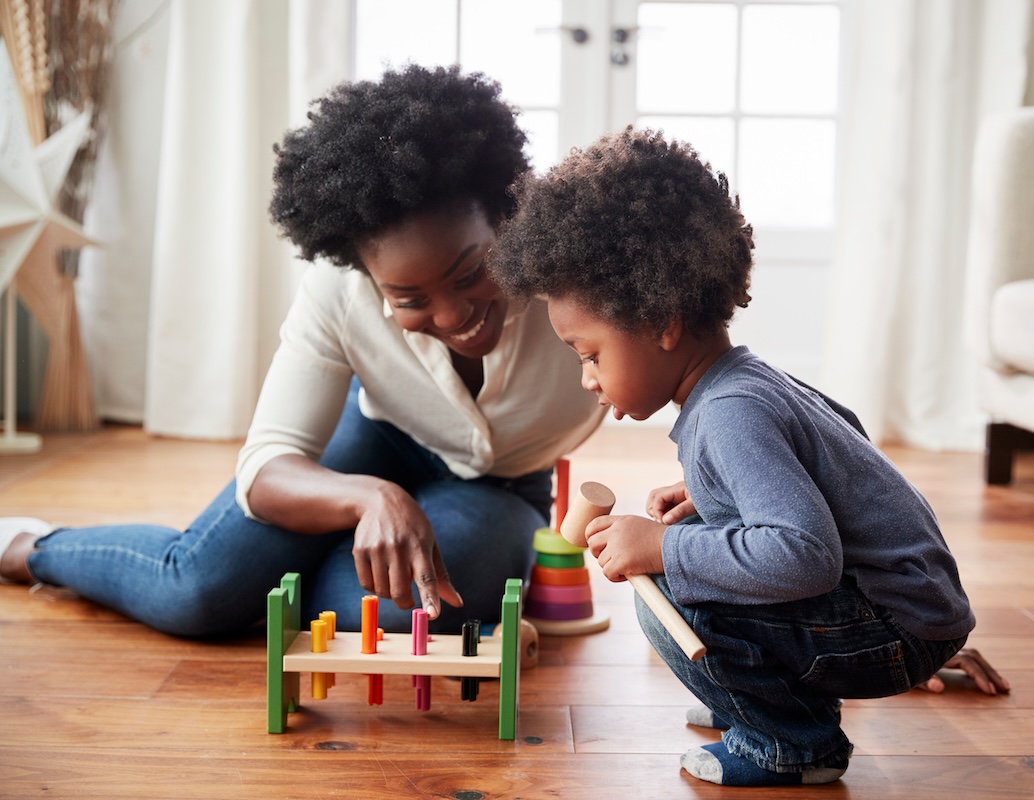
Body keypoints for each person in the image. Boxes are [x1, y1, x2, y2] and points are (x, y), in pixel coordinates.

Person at [0, 65, 604, 636]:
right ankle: (31, 549)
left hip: (499, 486)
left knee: (383, 615)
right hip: (380, 436)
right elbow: (266, 468)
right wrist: (369, 497)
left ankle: (267, 579)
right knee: (196, 592)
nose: (451, 316)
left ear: (505, 218)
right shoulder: (337, 291)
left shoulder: (581, 274)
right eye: (408, 297)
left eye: (471, 274)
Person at [490, 127, 1001, 787]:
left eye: (590, 354)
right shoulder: (745, 382)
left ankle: (791, 741)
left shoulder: (729, 413)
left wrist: (660, 552)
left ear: (663, 323)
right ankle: (760, 696)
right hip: (910, 608)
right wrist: (715, 493)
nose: (587, 378)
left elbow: (807, 556)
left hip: (893, 627)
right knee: (699, 537)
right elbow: (838, 451)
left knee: (670, 597)